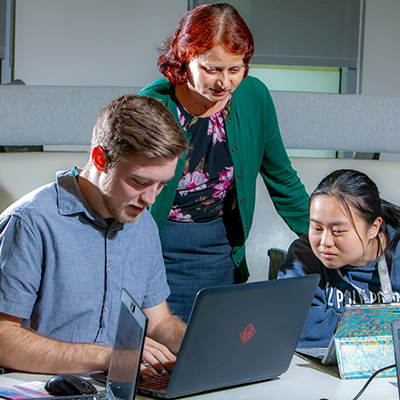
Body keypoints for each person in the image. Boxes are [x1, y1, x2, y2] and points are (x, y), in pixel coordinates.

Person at [138, 3, 309, 322]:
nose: (224, 83)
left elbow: (282, 179)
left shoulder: (254, 97)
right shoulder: (151, 105)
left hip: (223, 253)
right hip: (158, 253)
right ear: (185, 58)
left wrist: (323, 235)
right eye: (212, 69)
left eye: (235, 69)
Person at [0, 94, 188, 374]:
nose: (151, 199)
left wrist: (196, 342)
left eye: (162, 184)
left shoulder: (142, 222)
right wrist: (108, 357)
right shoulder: (30, 222)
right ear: (100, 159)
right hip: (45, 387)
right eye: (139, 182)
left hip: (116, 384)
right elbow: (3, 338)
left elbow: (158, 322)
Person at [278, 169, 400, 348]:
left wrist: (331, 321)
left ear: (374, 227)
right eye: (317, 228)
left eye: (338, 231)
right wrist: (387, 326)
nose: (325, 242)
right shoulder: (304, 255)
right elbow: (294, 327)